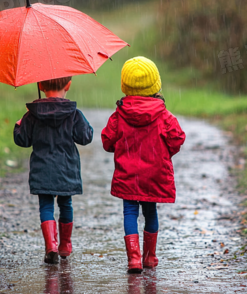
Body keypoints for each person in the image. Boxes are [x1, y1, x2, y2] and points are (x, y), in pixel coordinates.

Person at [101, 57, 186, 273]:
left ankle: (133, 260)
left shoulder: (119, 114)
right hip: (154, 176)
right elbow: (177, 138)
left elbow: (107, 141)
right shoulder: (163, 115)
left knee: (129, 213)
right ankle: (149, 257)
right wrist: (165, 153)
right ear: (155, 85)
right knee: (150, 212)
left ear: (125, 85)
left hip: (128, 176)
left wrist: (120, 149)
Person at [13, 76, 93, 264]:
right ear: (68, 85)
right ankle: (65, 244)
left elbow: (22, 140)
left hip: (43, 169)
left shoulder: (32, 114)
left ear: (40, 85)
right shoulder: (74, 113)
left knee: (46, 206)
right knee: (66, 205)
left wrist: (19, 124)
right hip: (67, 168)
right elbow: (85, 137)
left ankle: (51, 246)